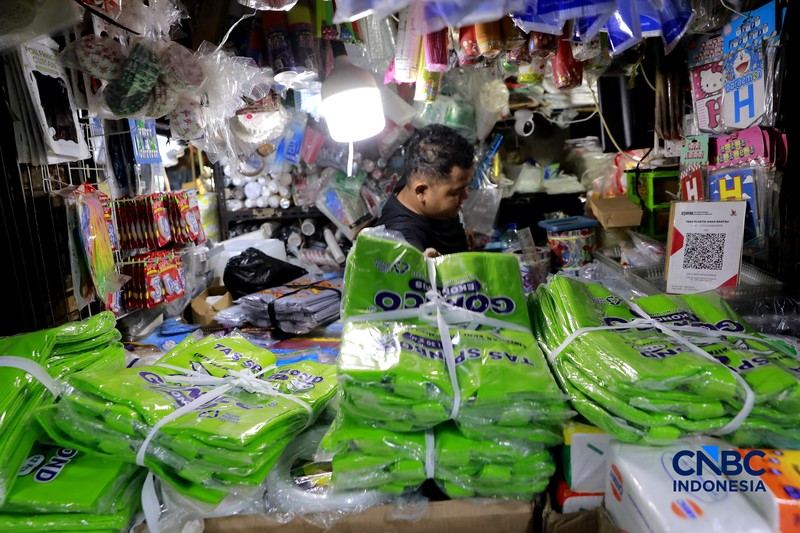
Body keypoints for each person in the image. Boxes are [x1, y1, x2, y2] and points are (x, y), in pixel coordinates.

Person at [375, 124, 475, 257]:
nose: (466, 195)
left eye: (466, 187)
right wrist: (427, 269)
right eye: (456, 192)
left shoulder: (421, 175)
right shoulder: (403, 241)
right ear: (421, 192)